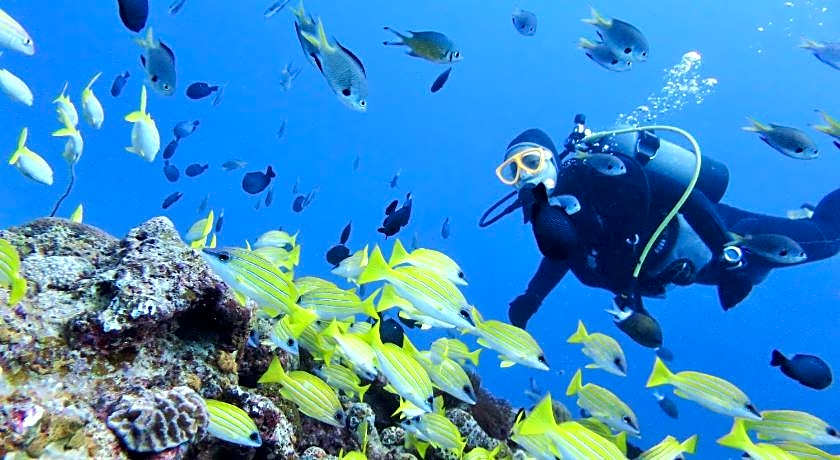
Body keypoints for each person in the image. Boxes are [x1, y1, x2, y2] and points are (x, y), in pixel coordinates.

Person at [480, 115, 840, 331]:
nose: (526, 175)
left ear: (551, 159)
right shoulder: (552, 216)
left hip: (730, 233)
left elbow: (686, 196)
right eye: (512, 171)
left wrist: (727, 248)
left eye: (530, 161)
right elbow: (562, 253)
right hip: (689, 268)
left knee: (829, 236)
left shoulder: (602, 173)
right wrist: (533, 297)